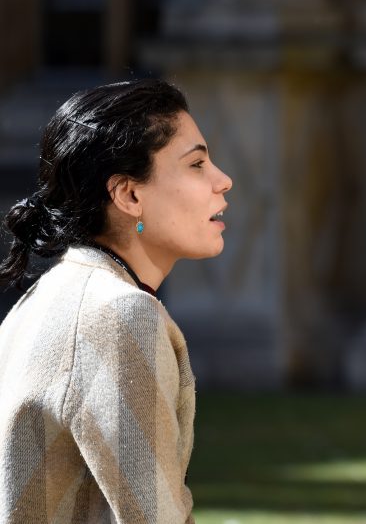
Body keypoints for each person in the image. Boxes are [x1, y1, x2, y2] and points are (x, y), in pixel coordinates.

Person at [0, 79, 232, 522]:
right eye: (197, 164)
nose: (223, 180)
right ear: (129, 195)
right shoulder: (120, 316)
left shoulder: (40, 299)